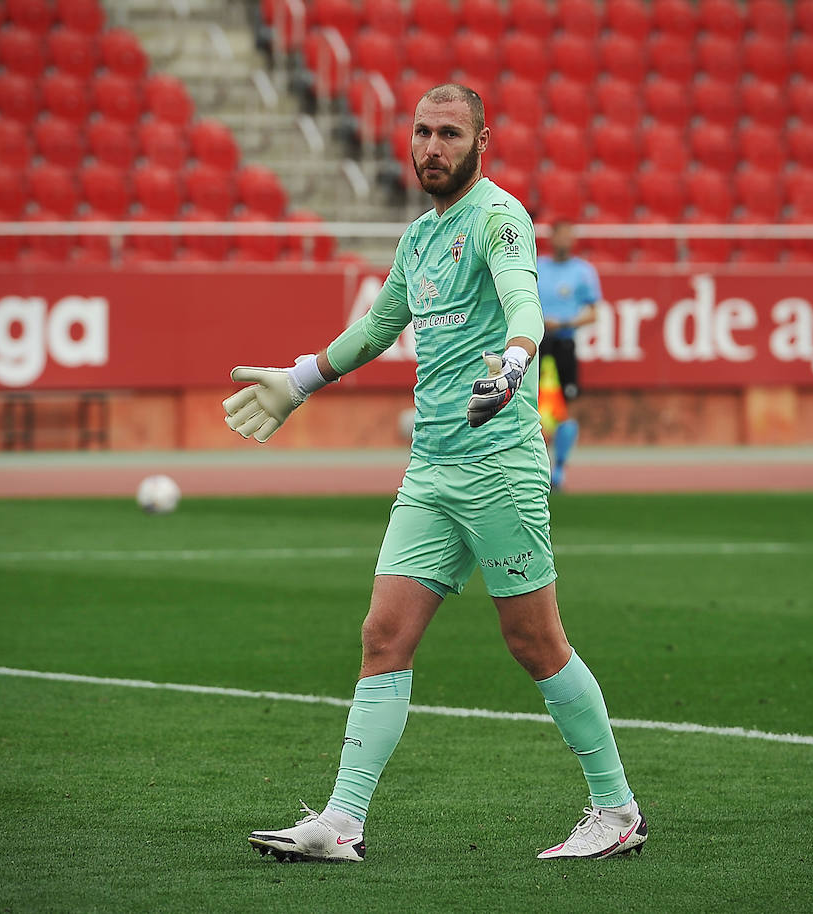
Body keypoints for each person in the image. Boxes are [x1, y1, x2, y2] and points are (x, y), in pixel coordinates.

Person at [226, 85, 646, 863]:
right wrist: (299, 380)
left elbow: (524, 300)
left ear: (482, 141)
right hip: (432, 470)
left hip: (500, 466)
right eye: (422, 132)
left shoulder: (498, 217)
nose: (432, 147)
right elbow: (380, 327)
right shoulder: (420, 240)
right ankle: (342, 823)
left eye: (450, 133)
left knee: (534, 640)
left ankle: (616, 810)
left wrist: (517, 362)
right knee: (384, 635)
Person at [537, 221, 600, 491]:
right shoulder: (537, 265)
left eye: (568, 235)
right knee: (531, 405)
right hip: (536, 343)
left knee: (567, 406)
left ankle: (559, 468)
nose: (564, 240)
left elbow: (593, 312)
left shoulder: (583, 272)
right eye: (559, 234)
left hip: (563, 343)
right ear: (552, 238)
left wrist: (564, 323)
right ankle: (535, 467)